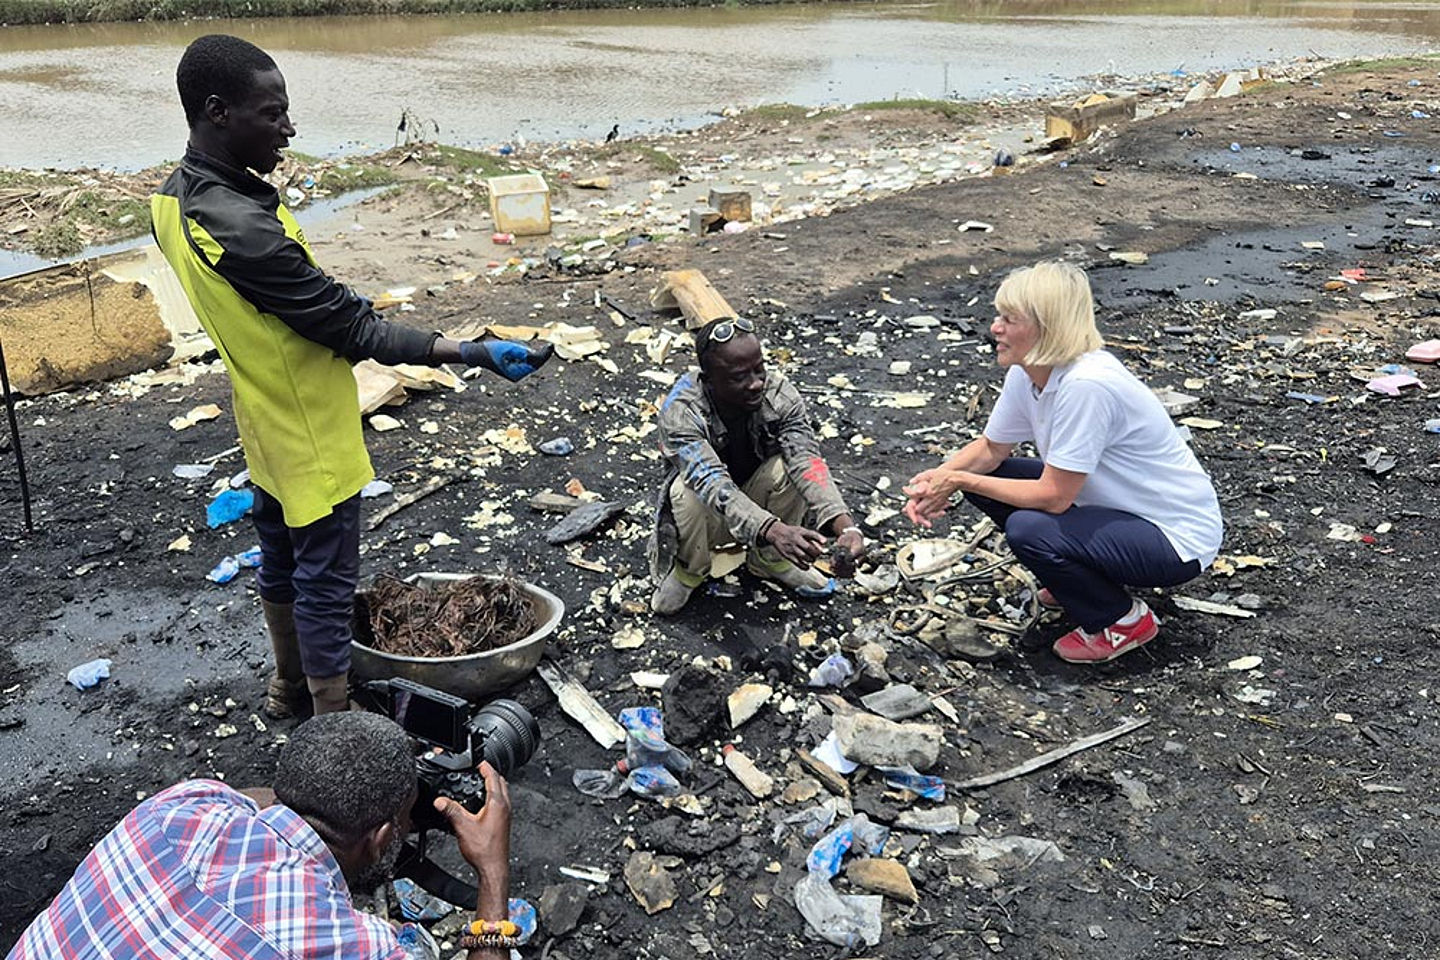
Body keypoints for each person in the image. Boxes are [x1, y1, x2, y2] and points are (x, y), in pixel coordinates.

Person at [151, 35, 553, 718]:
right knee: (325, 582)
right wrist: (471, 350)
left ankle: (287, 687)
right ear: (217, 111)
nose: (288, 128)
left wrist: (320, 301)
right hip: (310, 430)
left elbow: (274, 305)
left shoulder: (173, 199)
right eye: (271, 113)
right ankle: (333, 727)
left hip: (262, 417)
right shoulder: (240, 228)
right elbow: (354, 331)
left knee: (280, 561)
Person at [903, 262, 1222, 663]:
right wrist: (938, 479)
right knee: (991, 477)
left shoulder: (1086, 386)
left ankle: (1122, 620)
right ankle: (1079, 578)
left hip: (1174, 537)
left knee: (1028, 528)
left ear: (1047, 327)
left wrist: (960, 480)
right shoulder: (1029, 371)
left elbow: (1054, 498)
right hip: (1112, 508)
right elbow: (992, 448)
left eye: (1009, 319)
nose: (995, 328)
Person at [8, 712, 515, 960]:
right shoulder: (353, 945)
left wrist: (365, 800)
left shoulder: (179, 808)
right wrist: (492, 875)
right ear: (382, 839)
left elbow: (269, 798)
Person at [648, 316, 866, 615]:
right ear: (709, 380)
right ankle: (689, 571)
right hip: (709, 517)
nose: (756, 383)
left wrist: (847, 527)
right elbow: (711, 482)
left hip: (760, 501)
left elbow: (806, 460)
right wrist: (773, 530)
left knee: (788, 467)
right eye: (739, 377)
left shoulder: (779, 395)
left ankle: (770, 560)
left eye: (759, 369)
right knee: (685, 491)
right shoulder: (681, 411)